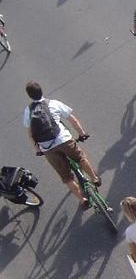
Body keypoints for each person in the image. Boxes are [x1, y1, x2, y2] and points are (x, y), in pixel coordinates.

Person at [23, 81, 101, 209]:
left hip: (47, 148)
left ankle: (83, 200)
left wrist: (38, 149)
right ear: (41, 91)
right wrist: (82, 133)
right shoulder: (53, 103)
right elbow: (72, 119)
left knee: (66, 177)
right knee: (80, 158)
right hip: (63, 139)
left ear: (29, 95)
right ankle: (94, 178)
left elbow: (31, 134)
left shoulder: (28, 111)